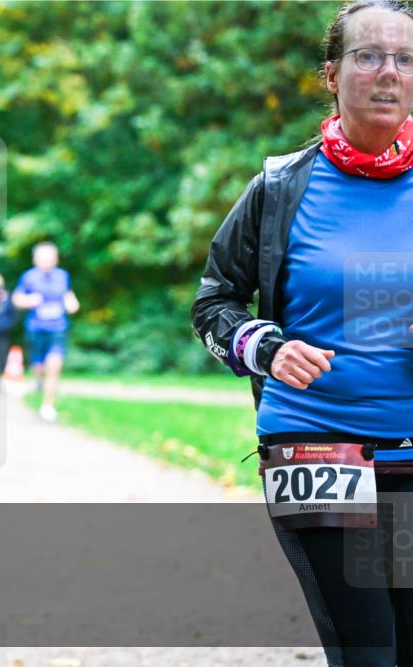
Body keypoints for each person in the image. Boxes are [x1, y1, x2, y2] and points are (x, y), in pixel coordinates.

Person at [192, 2, 413, 664]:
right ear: (332, 74)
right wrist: (266, 347)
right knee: (370, 651)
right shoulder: (281, 186)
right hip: (317, 448)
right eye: (368, 56)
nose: (388, 72)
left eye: (405, 59)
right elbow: (215, 301)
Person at [12, 242, 80, 422]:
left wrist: (72, 302)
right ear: (36, 260)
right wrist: (28, 300)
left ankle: (48, 406)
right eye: (44, 258)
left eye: (51, 258)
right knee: (39, 367)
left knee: (54, 366)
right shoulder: (28, 277)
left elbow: (67, 294)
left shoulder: (63, 276)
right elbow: (16, 299)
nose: (47, 262)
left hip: (58, 328)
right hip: (36, 329)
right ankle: (38, 379)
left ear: (56, 259)